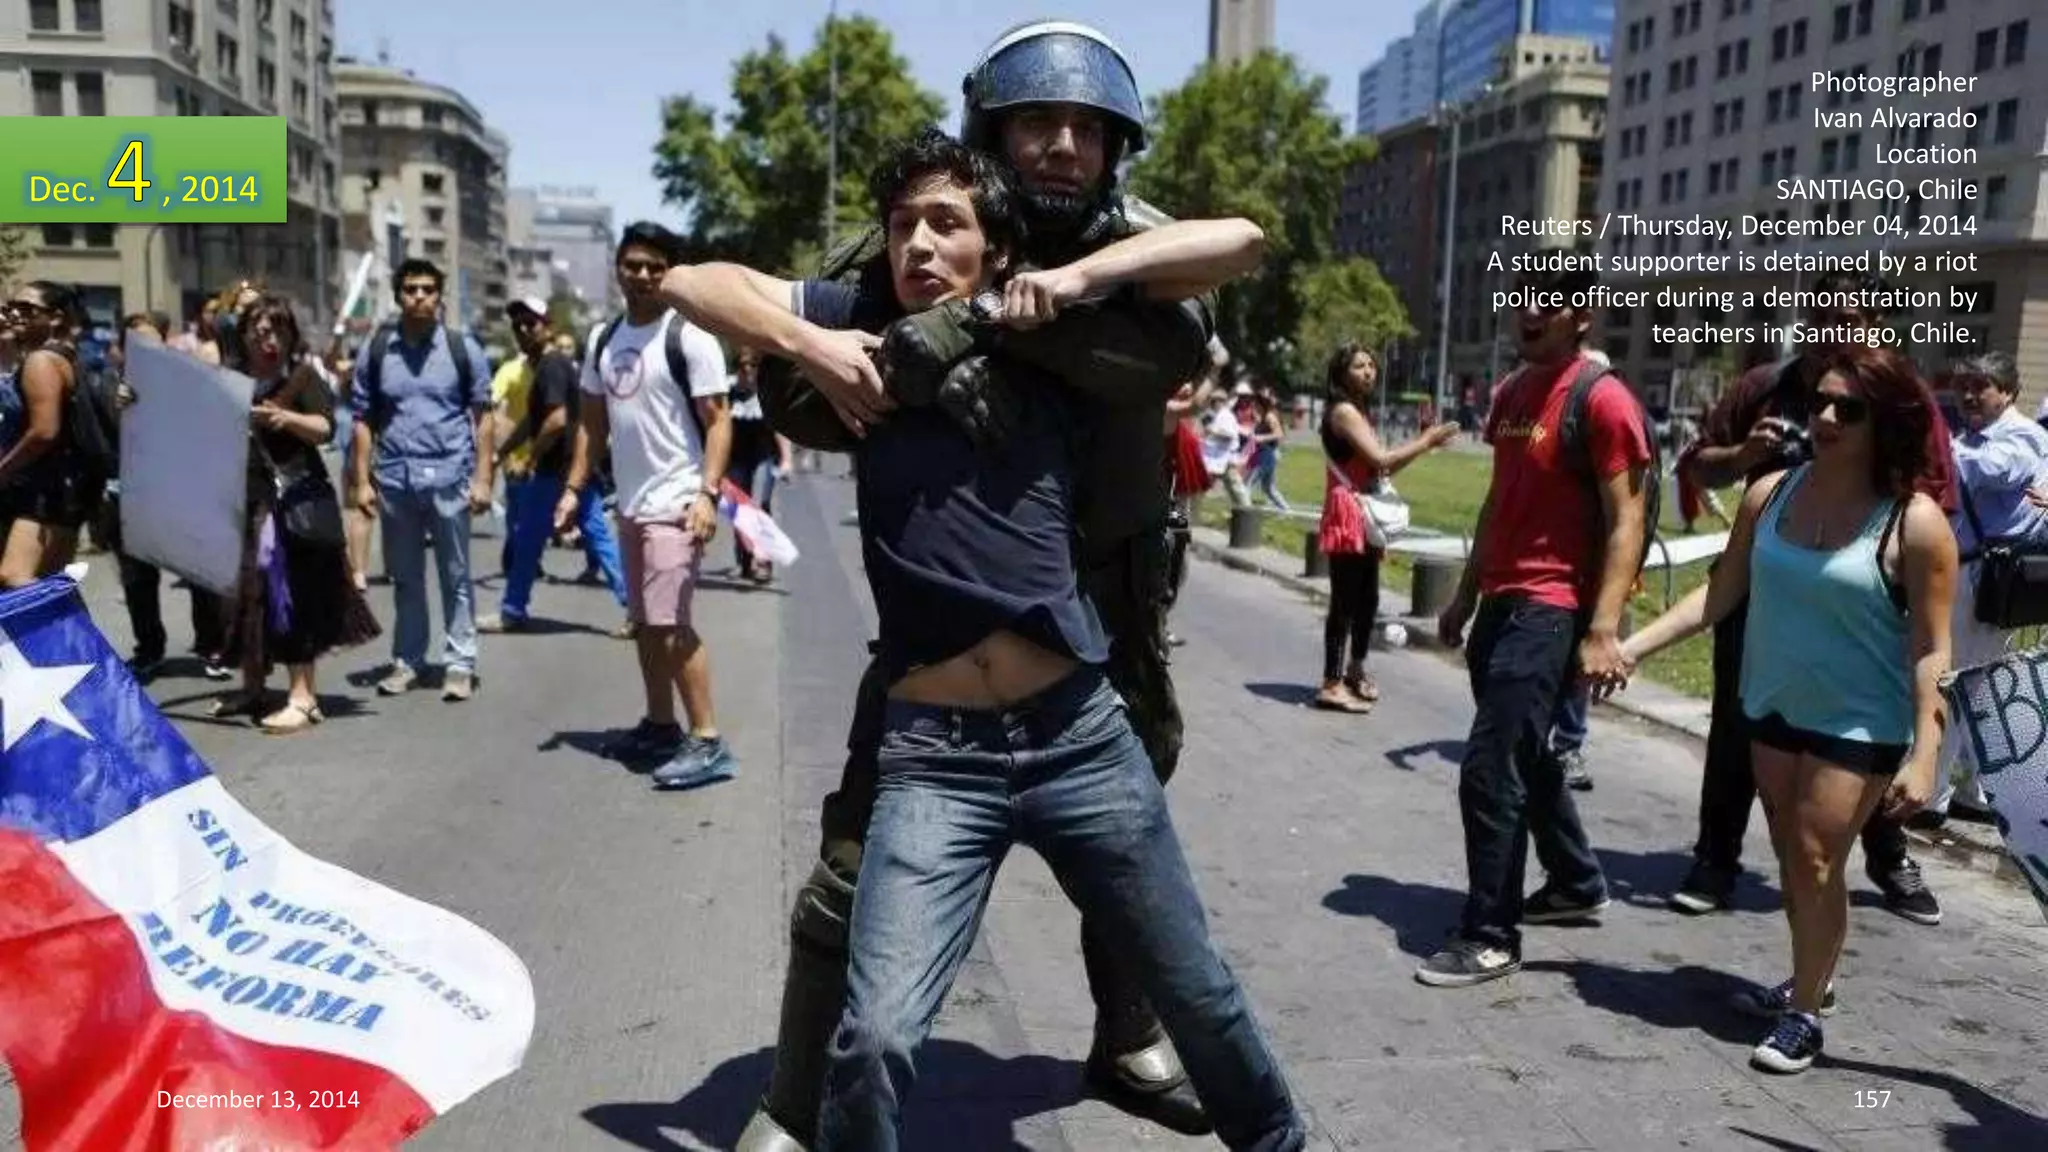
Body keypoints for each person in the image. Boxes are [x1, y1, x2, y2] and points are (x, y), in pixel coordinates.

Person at [667, 126, 1299, 1152]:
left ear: (996, 249)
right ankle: (796, 1109)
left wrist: (1073, 281)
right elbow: (697, 280)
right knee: (871, 1040)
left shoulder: (1048, 324)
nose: (917, 243)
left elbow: (1238, 242)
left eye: (946, 224)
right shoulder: (862, 325)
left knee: (1203, 1001)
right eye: (901, 224)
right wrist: (813, 345)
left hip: (1079, 737)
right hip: (931, 758)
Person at [1619, 344, 1955, 1073]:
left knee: (1813, 854)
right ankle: (1814, 979)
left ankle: (1805, 1013)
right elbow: (1720, 591)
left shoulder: (1915, 522)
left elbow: (1933, 648)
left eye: (1849, 408)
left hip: (1861, 718)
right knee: (1798, 860)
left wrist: (1926, 753)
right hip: (1770, 705)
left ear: (1884, 422)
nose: (1827, 417)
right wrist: (1630, 647)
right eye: (1820, 403)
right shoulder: (1769, 493)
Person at [1669, 270, 1954, 923]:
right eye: (1820, 321)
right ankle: (1716, 857)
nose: (1831, 336)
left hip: (1860, 594)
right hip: (1767, 583)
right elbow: (1699, 464)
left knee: (1863, 736)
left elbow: (1935, 496)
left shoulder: (1899, 397)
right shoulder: (1765, 386)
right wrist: (1745, 453)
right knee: (1738, 725)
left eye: (1846, 322)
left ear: (1877, 328)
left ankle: (1888, 857)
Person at [1423, 267, 1651, 987]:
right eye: (1519, 297)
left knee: (1493, 771)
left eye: (1545, 300)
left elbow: (1628, 521)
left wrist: (1603, 628)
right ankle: (1577, 882)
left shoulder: (1603, 399)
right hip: (1500, 605)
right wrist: (1464, 595)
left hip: (1553, 610)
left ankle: (1490, 935)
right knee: (1529, 757)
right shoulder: (1513, 393)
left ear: (1581, 313)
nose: (1526, 311)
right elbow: (1499, 501)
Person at [554, 222, 738, 790]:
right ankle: (661, 726)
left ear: (670, 272)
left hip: (677, 502)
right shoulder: (603, 340)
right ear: (618, 269)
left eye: (654, 266)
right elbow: (592, 423)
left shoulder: (690, 337)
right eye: (632, 264)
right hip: (630, 504)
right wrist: (573, 488)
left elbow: (719, 421)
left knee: (671, 625)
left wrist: (707, 494)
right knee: (645, 625)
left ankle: (707, 741)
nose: (642, 275)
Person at [208, 295, 381, 732]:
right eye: (260, 331)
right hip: (244, 503)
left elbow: (326, 426)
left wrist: (287, 419)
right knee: (248, 600)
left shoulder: (301, 376)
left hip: (291, 504)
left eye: (278, 331)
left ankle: (303, 697)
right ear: (244, 334)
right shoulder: (231, 380)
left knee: (290, 597)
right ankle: (253, 687)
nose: (269, 340)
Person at [349, 258, 495, 703]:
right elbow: (362, 420)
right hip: (395, 479)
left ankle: (459, 662)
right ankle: (408, 660)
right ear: (398, 296)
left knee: (455, 573)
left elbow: (483, 416)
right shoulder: (377, 350)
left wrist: (484, 478)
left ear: (439, 296)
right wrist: (361, 481)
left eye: (428, 289)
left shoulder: (460, 348)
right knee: (406, 577)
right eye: (411, 288)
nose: (419, 296)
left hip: (450, 475)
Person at [1314, 342, 1456, 712]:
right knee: (1344, 601)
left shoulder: (1359, 411)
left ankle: (1354, 671)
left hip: (1364, 509)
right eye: (1359, 366)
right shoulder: (1343, 411)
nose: (1368, 372)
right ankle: (1331, 682)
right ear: (1341, 372)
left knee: (1368, 600)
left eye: (1372, 366)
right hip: (1349, 512)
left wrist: (1423, 445)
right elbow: (1380, 458)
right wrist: (1425, 440)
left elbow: (1382, 469)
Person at [481, 297, 629, 632]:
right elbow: (535, 421)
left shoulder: (552, 365)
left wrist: (529, 459)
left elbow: (557, 420)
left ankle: (513, 609)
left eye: (530, 323)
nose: (523, 330)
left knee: (549, 539)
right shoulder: (545, 366)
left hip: (559, 474)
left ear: (548, 327)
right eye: (517, 325)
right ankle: (514, 609)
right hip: (563, 471)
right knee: (543, 538)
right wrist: (502, 453)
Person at [1939, 351, 2044, 823]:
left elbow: (1988, 471)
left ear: (2009, 392)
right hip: (1965, 573)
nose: (1968, 394)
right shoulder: (1974, 437)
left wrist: (1932, 440)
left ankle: (1933, 796)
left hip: (1980, 576)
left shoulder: (2021, 436)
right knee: (1975, 683)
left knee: (1953, 683)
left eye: (1981, 385)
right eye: (1962, 385)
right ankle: (1972, 792)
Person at [0, 281, 99, 587]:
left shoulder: (41, 360)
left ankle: (75, 636)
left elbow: (44, 431)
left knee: (15, 577)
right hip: (66, 489)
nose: (15, 314)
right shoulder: (66, 355)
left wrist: (3, 470)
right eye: (11, 308)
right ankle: (75, 636)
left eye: (28, 309)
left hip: (46, 490)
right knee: (50, 585)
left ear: (55, 317)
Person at [727, 346, 793, 584]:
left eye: (752, 365)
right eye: (742, 365)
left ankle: (762, 562)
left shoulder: (766, 393)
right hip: (735, 461)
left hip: (763, 459)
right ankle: (744, 562)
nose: (747, 369)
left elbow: (778, 429)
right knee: (739, 512)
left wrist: (786, 459)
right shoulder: (728, 391)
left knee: (758, 507)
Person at [1202, 388, 1252, 507]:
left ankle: (1247, 512)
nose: (1211, 403)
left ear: (1219, 401)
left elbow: (1230, 435)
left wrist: (1212, 431)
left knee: (1235, 487)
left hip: (1226, 459)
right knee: (1210, 484)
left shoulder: (1226, 416)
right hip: (1217, 458)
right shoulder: (1218, 415)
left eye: (1213, 401)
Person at [1247, 387, 1289, 511]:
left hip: (1267, 456)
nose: (1253, 404)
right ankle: (1286, 511)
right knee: (1269, 489)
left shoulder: (1270, 416)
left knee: (1247, 485)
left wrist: (1261, 438)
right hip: (1263, 455)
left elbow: (1279, 434)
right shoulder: (1262, 416)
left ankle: (1245, 513)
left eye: (1255, 402)